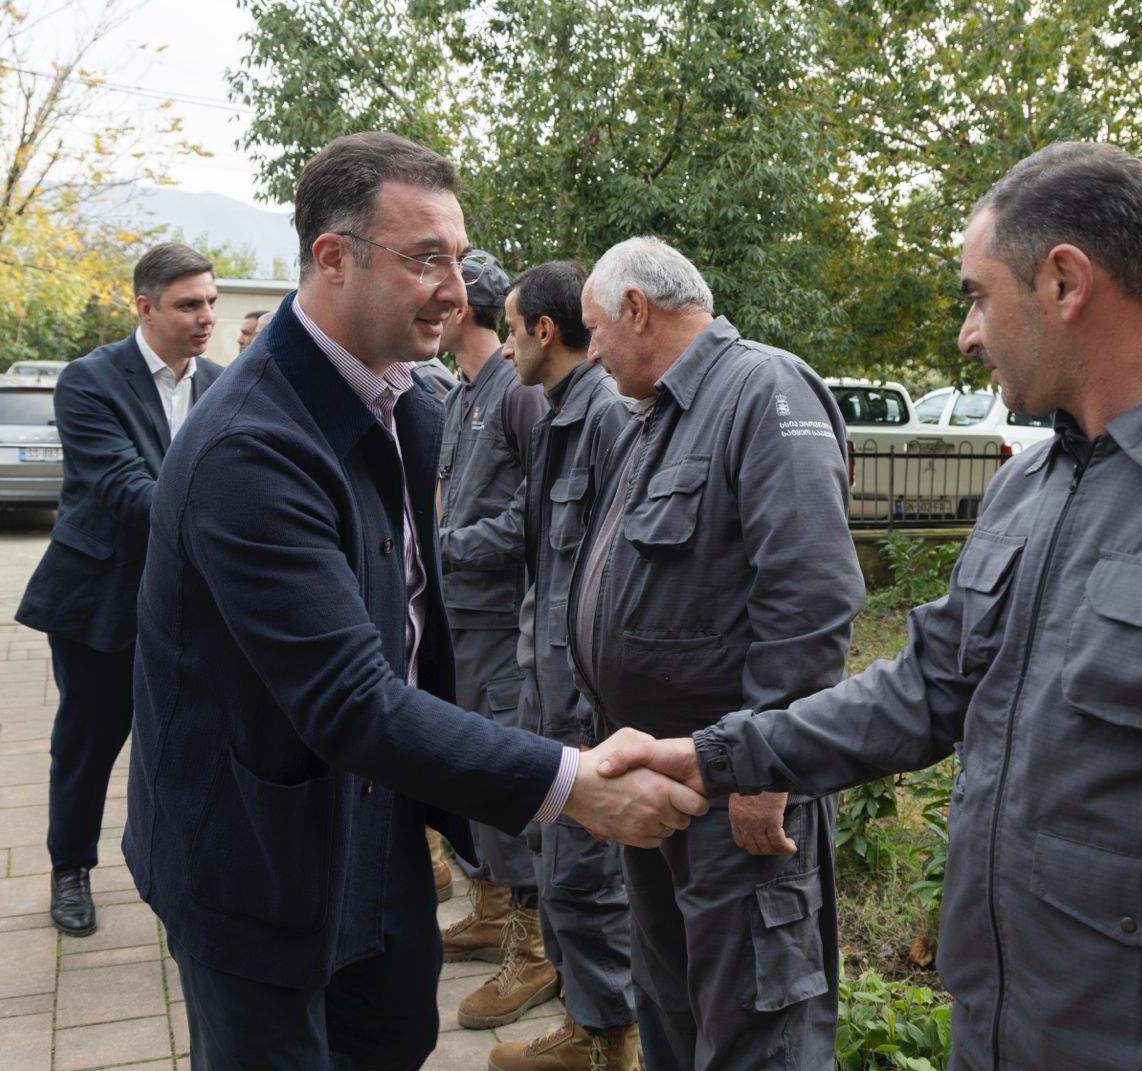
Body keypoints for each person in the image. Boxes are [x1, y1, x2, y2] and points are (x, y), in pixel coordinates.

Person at [598, 142, 1142, 1069]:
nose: (967, 335)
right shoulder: (1034, 485)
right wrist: (720, 752)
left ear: (1064, 281)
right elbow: (926, 687)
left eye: (978, 297)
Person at [122, 131, 706, 1070]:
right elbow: (349, 696)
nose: (456, 289)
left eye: (458, 258)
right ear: (333, 257)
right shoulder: (251, 446)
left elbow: (413, 632)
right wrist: (574, 785)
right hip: (252, 855)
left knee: (395, 1033)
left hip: (375, 824)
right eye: (426, 258)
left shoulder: (410, 406)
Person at [569, 237, 865, 1071]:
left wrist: (767, 768)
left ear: (637, 309)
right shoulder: (657, 415)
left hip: (736, 791)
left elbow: (812, 597)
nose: (589, 352)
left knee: (754, 1029)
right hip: (659, 778)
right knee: (672, 1005)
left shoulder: (765, 390)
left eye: (595, 328)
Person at [16, 242, 224, 938]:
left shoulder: (222, 383)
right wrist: (228, 515)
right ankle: (70, 869)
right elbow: (121, 486)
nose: (206, 317)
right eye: (188, 304)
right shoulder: (89, 380)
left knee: (191, 743)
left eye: (211, 302)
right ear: (145, 307)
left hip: (192, 604)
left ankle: (184, 873)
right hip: (101, 599)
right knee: (88, 742)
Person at [488, 260, 640, 1071]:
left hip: (583, 700)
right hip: (545, 687)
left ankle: (610, 1043)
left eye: (512, 329)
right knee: (557, 862)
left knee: (587, 876)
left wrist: (588, 706)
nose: (506, 345)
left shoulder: (607, 416)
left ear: (545, 331)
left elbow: (618, 577)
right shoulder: (556, 414)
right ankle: (588, 1026)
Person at [431, 249, 558, 1030]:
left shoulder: (518, 394)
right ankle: (490, 911)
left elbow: (534, 519)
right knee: (469, 781)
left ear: (461, 310)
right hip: (462, 618)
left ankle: (533, 949)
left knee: (509, 785)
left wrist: (445, 546)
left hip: (505, 626)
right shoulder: (460, 393)